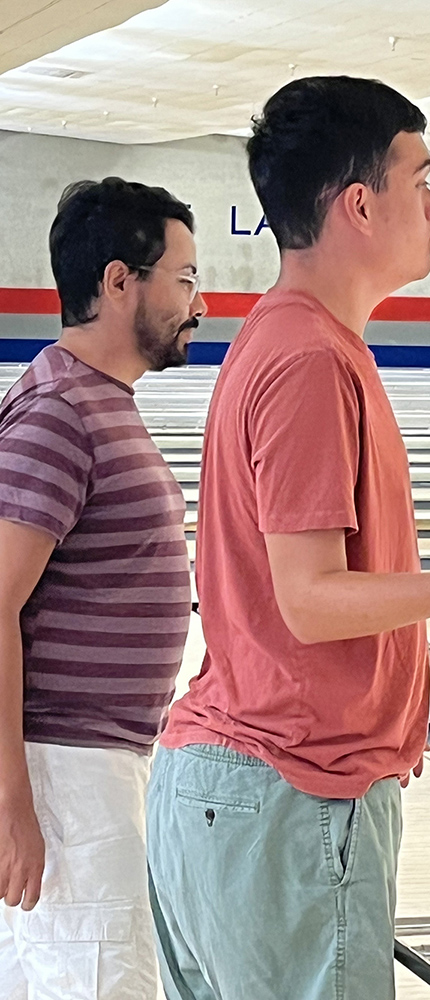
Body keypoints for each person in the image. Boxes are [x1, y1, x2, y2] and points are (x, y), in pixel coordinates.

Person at [147, 76, 430, 1000]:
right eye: (419, 177)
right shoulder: (308, 358)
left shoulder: (292, 342)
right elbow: (308, 600)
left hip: (240, 792)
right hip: (289, 797)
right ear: (359, 203)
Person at [0, 177, 206, 1000]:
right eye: (184, 278)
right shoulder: (59, 413)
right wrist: (12, 801)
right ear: (120, 281)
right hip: (65, 780)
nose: (198, 300)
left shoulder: (95, 401)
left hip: (92, 772)